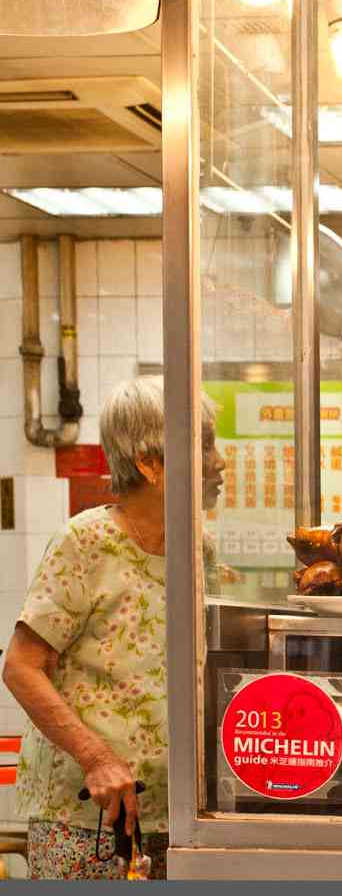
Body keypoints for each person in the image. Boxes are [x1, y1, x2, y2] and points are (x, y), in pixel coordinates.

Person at [3, 376, 224, 880]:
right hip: (87, 818)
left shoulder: (198, 547)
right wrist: (96, 757)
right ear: (150, 463)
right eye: (204, 445)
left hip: (179, 817)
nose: (220, 461)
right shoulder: (85, 541)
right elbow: (21, 668)